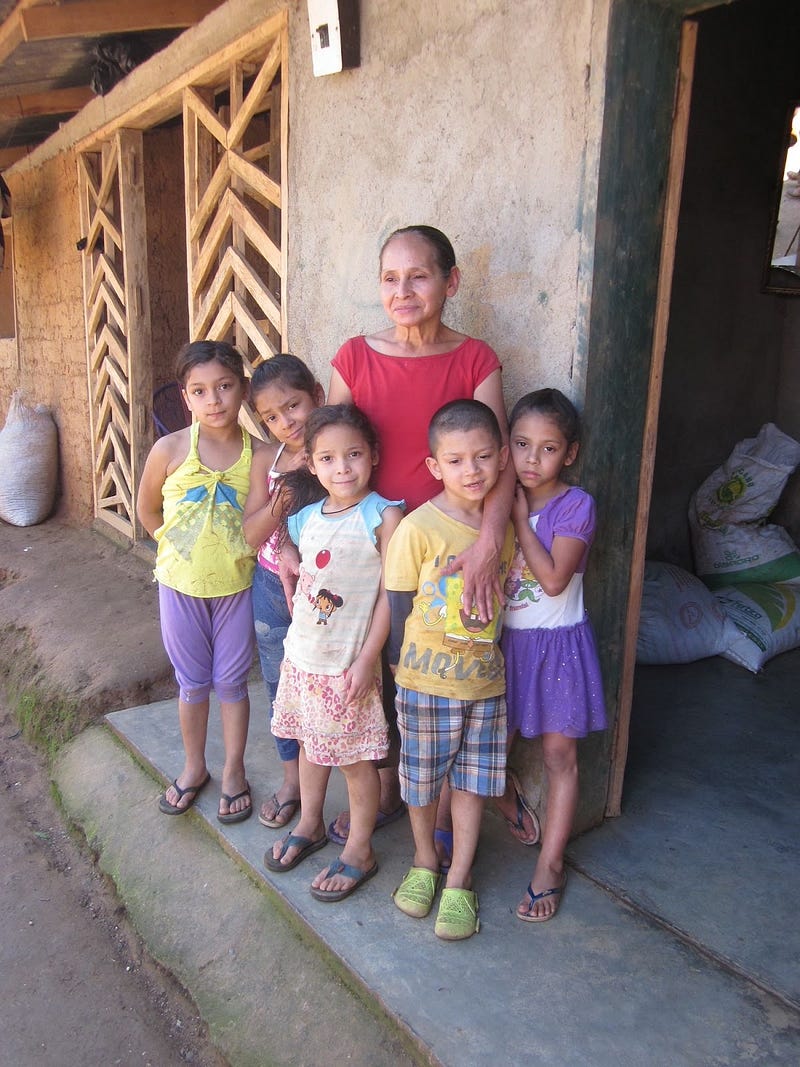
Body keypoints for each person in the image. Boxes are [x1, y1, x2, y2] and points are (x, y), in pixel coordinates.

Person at [326, 224, 537, 864]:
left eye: (418, 276)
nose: (404, 291)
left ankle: (446, 807)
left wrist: (487, 543)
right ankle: (390, 788)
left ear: (451, 282)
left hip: (455, 551)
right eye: (391, 278)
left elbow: (498, 463)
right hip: (377, 548)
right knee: (385, 665)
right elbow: (332, 447)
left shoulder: (476, 359)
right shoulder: (353, 358)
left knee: (446, 675)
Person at [386, 400, 515, 940]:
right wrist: (397, 667)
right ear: (435, 466)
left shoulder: (505, 524)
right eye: (457, 461)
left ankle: (460, 879)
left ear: (502, 458)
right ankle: (423, 862)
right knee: (420, 784)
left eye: (484, 457)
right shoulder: (418, 528)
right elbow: (396, 601)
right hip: (425, 683)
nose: (473, 471)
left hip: (485, 684)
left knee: (472, 784)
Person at [265, 404, 404, 902]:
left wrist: (369, 659)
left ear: (374, 455)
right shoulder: (305, 518)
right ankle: (310, 824)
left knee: (353, 761)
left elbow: (393, 592)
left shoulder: (384, 515)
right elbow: (284, 549)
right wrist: (283, 549)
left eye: (353, 455)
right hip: (302, 659)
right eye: (326, 458)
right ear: (311, 464)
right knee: (307, 744)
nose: (341, 467)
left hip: (348, 665)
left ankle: (361, 849)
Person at [136, 340, 261, 823]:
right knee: (192, 683)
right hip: (180, 588)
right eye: (200, 390)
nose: (214, 400)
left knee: (231, 683)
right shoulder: (168, 450)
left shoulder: (261, 455)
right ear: (186, 398)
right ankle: (194, 768)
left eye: (225, 387)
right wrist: (175, 552)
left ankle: (233, 770)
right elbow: (148, 510)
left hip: (236, 588)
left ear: (243, 391)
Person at [501, 388, 607, 922]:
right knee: (486, 748)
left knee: (559, 757)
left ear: (569, 453)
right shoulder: (496, 495)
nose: (531, 459)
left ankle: (551, 863)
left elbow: (553, 579)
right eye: (521, 444)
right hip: (504, 647)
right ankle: (504, 794)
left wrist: (519, 521)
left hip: (558, 648)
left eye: (547, 448)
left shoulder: (576, 505)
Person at [242, 354, 325, 829]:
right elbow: (252, 535)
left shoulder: (337, 448)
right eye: (271, 417)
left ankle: (352, 781)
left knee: (336, 686)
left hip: (327, 592)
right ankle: (293, 779)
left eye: (293, 406)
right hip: (273, 586)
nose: (285, 422)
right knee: (280, 687)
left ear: (317, 392)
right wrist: (283, 497)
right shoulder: (267, 461)